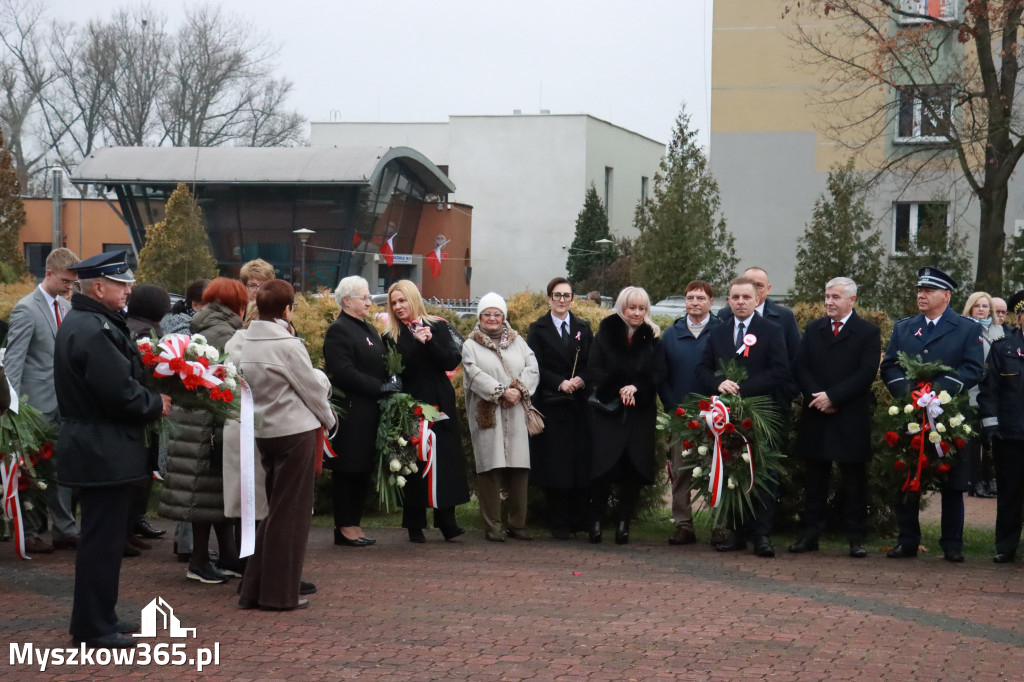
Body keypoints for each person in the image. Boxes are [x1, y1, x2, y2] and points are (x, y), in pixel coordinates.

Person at [54, 251, 171, 649]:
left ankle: (101, 616)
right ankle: (92, 627)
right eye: (121, 284)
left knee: (102, 541)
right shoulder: (92, 329)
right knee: (101, 543)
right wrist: (156, 404)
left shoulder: (93, 322)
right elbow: (119, 393)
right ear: (99, 287)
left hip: (100, 446)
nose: (129, 290)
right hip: (100, 447)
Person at [237, 280, 336, 610]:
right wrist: (330, 419)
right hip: (295, 433)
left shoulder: (248, 340)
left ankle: (254, 589)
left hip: (265, 432)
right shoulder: (288, 344)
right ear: (287, 309)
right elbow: (312, 390)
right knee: (290, 516)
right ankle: (280, 594)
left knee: (274, 511)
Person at [880, 266, 984, 562]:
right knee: (908, 474)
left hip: (949, 413)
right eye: (919, 291)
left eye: (928, 291)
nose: (921, 295)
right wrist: (910, 394)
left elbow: (973, 368)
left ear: (946, 296)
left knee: (953, 481)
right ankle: (908, 539)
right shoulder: (904, 327)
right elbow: (889, 366)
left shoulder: (967, 328)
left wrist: (937, 391)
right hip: (911, 411)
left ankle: (952, 543)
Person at [158, 277, 246, 584]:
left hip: (198, 419)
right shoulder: (226, 331)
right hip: (210, 422)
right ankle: (199, 562)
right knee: (206, 492)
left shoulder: (202, 325)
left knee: (213, 493)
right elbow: (232, 375)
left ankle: (226, 557)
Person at [696, 276, 790, 557]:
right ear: (729, 300)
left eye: (746, 297)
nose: (740, 302)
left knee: (763, 474)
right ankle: (736, 532)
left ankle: (762, 535)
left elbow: (780, 369)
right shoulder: (718, 332)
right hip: (726, 417)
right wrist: (719, 384)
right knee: (732, 472)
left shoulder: (772, 330)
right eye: (735, 297)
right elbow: (702, 368)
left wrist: (743, 390)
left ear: (757, 299)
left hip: (760, 415)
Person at [789, 277, 881, 558]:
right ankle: (811, 534)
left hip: (849, 415)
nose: (829, 302)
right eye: (827, 296)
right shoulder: (814, 329)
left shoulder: (867, 332)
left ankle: (856, 537)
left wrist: (835, 397)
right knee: (815, 478)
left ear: (851, 300)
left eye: (836, 297)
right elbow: (800, 366)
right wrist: (818, 397)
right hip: (817, 412)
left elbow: (866, 372)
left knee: (854, 480)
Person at [5, 247, 81, 554]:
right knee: (32, 473)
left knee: (62, 470)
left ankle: (64, 529)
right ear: (48, 273)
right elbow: (14, 362)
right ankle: (31, 530)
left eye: (73, 283)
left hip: (63, 405)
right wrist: (12, 409)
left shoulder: (66, 307)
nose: (69, 287)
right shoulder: (26, 309)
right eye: (65, 281)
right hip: (33, 408)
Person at [384, 280, 470, 542]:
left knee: (445, 459)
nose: (399, 307)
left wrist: (430, 342)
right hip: (411, 404)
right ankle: (414, 524)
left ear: (414, 299)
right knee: (413, 460)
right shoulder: (390, 336)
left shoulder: (438, 326)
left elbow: (452, 360)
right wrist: (414, 344)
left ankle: (448, 522)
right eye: (394, 303)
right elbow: (395, 370)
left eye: (403, 301)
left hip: (440, 401)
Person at [323, 276, 398, 547]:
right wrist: (380, 387)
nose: (369, 302)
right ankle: (344, 526)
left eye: (368, 297)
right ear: (347, 301)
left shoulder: (368, 328)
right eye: (364, 297)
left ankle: (354, 523)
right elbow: (343, 372)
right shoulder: (339, 330)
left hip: (370, 412)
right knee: (348, 470)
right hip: (352, 413)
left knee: (361, 469)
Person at [588, 286, 664, 545]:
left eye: (642, 308)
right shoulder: (605, 333)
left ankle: (623, 524)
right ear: (622, 307)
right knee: (603, 469)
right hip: (609, 413)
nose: (636, 313)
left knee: (633, 471)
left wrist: (638, 387)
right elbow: (594, 369)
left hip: (639, 415)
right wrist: (620, 386)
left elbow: (657, 373)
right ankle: (595, 521)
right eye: (632, 307)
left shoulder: (652, 337)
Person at [463, 293, 539, 542]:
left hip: (515, 412)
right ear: (480, 317)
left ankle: (518, 524)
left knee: (519, 469)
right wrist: (500, 392)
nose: (492, 318)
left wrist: (518, 390)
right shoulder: (470, 345)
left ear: (504, 316)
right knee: (490, 469)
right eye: (487, 314)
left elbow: (532, 367)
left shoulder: (518, 342)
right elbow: (473, 374)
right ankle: (493, 525)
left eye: (497, 314)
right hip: (488, 415)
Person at [526, 277, 595, 540]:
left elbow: (592, 362)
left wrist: (582, 379)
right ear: (548, 299)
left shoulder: (583, 328)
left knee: (579, 464)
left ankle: (580, 518)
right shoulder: (538, 329)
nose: (561, 300)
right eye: (557, 295)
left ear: (573, 299)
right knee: (556, 465)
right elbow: (534, 366)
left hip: (578, 407)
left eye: (566, 296)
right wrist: (559, 383)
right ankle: (559, 522)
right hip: (553, 406)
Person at [657, 280, 722, 546]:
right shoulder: (671, 335)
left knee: (715, 471)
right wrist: (673, 406)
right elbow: (662, 375)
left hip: (716, 416)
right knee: (681, 470)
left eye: (700, 298)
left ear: (710, 302)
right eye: (690, 298)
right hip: (680, 415)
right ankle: (684, 525)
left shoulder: (722, 331)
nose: (695, 302)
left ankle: (720, 526)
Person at [124, 283, 172, 557]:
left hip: (143, 405)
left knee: (142, 470)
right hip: (147, 405)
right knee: (140, 471)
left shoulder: (131, 325)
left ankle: (129, 528)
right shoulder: (145, 333)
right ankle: (126, 530)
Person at [979, 289, 1024, 563]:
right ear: (1019, 318)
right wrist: (991, 425)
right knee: (1009, 492)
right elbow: (989, 389)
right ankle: (1006, 546)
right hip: (1010, 434)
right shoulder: (1003, 347)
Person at [962, 291, 999, 499]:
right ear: (970, 308)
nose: (982, 309)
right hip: (971, 390)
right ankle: (974, 481)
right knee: (973, 439)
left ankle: (988, 479)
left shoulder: (998, 330)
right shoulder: (964, 329)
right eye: (978, 306)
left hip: (992, 391)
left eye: (986, 306)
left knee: (989, 439)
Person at [240, 258, 276, 327]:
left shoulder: (280, 314)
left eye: (263, 285)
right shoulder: (237, 314)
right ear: (245, 287)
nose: (257, 290)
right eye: (252, 285)